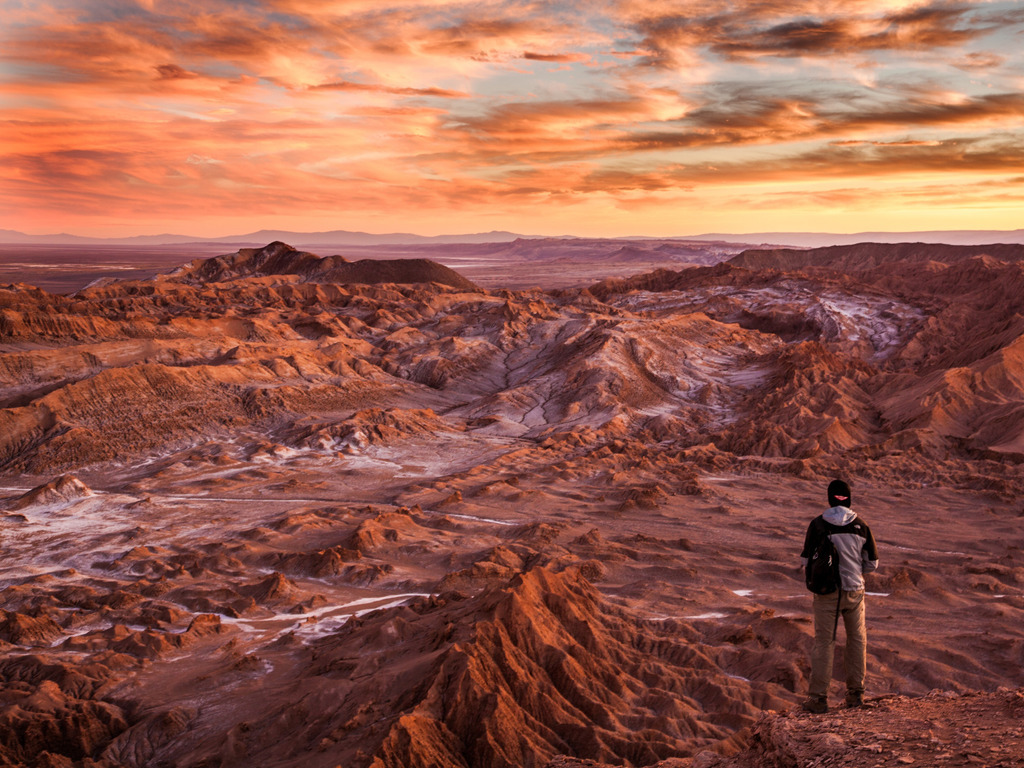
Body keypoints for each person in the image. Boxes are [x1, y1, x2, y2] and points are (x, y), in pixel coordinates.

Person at [800, 479, 878, 713]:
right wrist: (853, 570)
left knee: (824, 643)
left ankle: (818, 700)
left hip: (826, 593)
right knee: (857, 641)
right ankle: (856, 696)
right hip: (854, 591)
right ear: (849, 498)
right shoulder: (861, 525)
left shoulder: (817, 525)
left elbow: (805, 560)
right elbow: (872, 564)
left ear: (830, 498)